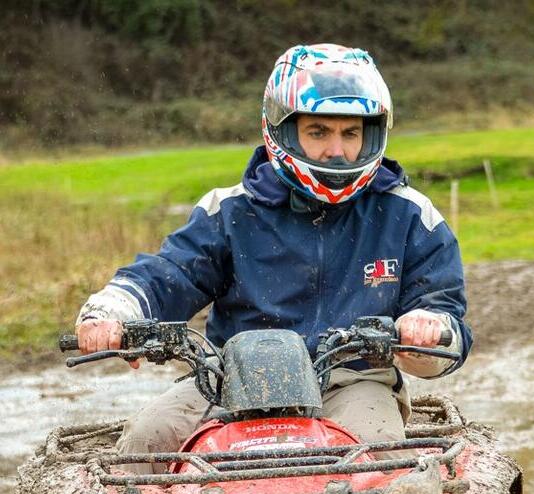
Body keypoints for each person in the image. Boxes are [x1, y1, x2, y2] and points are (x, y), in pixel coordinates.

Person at [76, 43, 472, 470]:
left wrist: (424, 331)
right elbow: (167, 274)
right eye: (319, 132)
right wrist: (113, 310)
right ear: (282, 131)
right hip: (230, 379)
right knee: (145, 441)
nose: (337, 151)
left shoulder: (409, 214)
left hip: (352, 378)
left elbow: (445, 316)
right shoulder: (230, 212)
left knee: (379, 460)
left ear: (372, 134)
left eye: (351, 133)